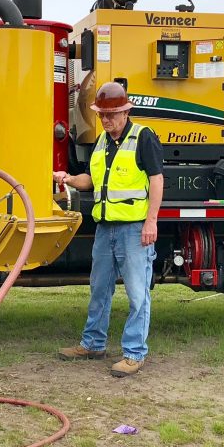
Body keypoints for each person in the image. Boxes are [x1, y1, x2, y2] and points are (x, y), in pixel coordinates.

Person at [54, 81, 164, 377]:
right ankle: (92, 344)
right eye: (101, 114)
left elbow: (156, 180)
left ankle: (134, 353)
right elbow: (92, 180)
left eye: (111, 114)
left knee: (137, 294)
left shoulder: (143, 138)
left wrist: (151, 222)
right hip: (106, 229)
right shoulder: (102, 142)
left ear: (126, 112)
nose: (105, 120)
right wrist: (67, 178)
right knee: (98, 289)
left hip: (133, 230)